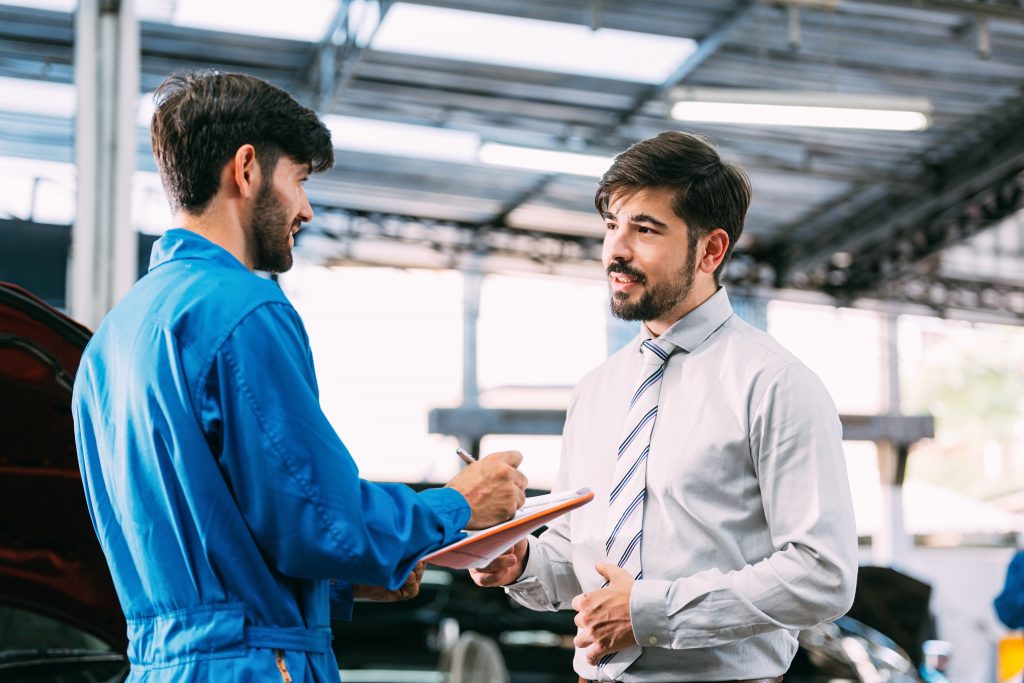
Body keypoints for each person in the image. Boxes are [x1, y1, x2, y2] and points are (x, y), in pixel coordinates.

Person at [72, 70, 527, 682]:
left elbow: (215, 545)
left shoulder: (112, 339)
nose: (306, 209)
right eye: (300, 179)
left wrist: (338, 590)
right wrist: (457, 504)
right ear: (248, 168)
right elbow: (321, 520)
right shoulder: (243, 310)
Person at [470, 131, 858, 682]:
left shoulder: (776, 383)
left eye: (645, 230)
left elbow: (822, 575)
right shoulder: (597, 389)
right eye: (612, 226)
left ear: (711, 250)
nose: (617, 251)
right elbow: (579, 560)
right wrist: (521, 562)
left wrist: (648, 610)